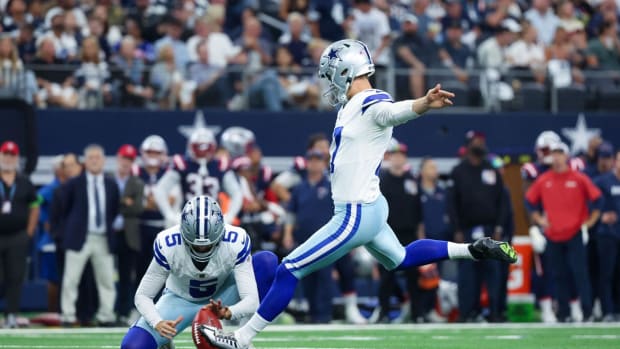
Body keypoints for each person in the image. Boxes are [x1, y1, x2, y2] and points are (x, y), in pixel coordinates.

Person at [202, 39, 517, 349]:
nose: (328, 83)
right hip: (372, 207)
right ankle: (474, 250)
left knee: (289, 269)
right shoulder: (352, 104)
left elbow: (392, 112)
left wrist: (422, 104)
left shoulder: (370, 101)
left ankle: (242, 338)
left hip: (354, 213)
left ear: (343, 71)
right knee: (402, 258)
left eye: (329, 75)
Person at [120, 196, 278, 349]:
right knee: (132, 346)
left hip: (222, 296)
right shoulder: (168, 243)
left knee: (266, 262)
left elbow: (251, 300)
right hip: (180, 300)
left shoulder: (235, 240)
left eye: (208, 245)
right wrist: (157, 322)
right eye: (195, 245)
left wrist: (230, 311)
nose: (202, 249)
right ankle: (165, 343)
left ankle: (242, 340)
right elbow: (143, 295)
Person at [526, 142, 602, 322]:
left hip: (575, 232)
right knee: (558, 275)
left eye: (560, 153)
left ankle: (587, 312)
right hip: (553, 234)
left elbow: (597, 199)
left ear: (567, 156)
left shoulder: (578, 178)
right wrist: (538, 219)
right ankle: (564, 314)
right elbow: (529, 201)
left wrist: (589, 222)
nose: (557, 157)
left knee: (580, 274)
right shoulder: (544, 180)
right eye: (554, 153)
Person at [448, 131, 509, 322]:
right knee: (467, 275)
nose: (481, 144)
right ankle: (467, 313)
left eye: (482, 141)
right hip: (466, 231)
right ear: (468, 146)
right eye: (477, 141)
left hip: (490, 230)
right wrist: (456, 228)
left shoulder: (491, 170)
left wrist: (499, 227)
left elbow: (502, 202)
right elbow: (452, 203)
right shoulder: (458, 171)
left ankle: (494, 312)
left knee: (493, 274)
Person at [59, 144, 120, 326]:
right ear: (85, 162)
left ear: (103, 161)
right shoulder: (74, 183)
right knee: (71, 279)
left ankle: (106, 315)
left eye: (98, 157)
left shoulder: (111, 185)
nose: (94, 160)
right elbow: (64, 209)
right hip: (80, 237)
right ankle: (68, 315)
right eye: (91, 157)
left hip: (103, 238)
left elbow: (114, 209)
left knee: (107, 280)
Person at [153, 127, 243, 228]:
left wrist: (230, 216)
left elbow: (237, 194)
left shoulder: (220, 165)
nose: (202, 153)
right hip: (188, 220)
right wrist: (169, 215)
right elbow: (160, 190)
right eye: (198, 148)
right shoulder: (183, 164)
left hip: (214, 220)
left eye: (205, 148)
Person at [0, 141, 39, 328]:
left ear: (16, 158)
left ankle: (12, 315)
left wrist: (29, 232)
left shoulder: (24, 182)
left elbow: (35, 206)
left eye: (12, 155)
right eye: (5, 154)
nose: (8, 158)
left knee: (15, 276)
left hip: (17, 236)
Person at [113, 144, 145, 324]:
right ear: (118, 158)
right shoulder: (108, 180)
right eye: (124, 158)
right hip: (109, 232)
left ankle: (124, 312)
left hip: (128, 235)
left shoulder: (137, 182)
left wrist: (121, 204)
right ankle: (106, 311)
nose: (126, 162)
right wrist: (125, 202)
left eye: (129, 160)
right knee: (103, 275)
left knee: (126, 276)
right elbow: (109, 205)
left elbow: (138, 208)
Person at [594, 150, 620, 322]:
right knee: (606, 273)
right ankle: (607, 310)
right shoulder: (602, 181)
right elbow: (591, 200)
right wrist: (600, 215)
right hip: (607, 235)